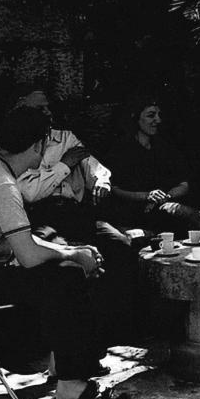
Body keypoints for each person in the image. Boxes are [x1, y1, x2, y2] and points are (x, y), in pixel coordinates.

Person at [0, 105, 126, 399]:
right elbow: (30, 256)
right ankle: (72, 384)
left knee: (62, 264)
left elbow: (23, 242)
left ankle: (65, 367)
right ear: (38, 145)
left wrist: (72, 253)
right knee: (65, 276)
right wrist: (75, 255)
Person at [12, 86, 141, 332]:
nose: (48, 112)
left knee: (119, 245)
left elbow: (92, 165)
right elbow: (30, 191)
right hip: (42, 214)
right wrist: (64, 164)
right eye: (40, 108)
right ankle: (69, 334)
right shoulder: (19, 145)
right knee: (59, 260)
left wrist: (101, 181)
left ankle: (120, 327)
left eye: (48, 107)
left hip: (76, 211)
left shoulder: (65, 138)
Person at [103, 91, 200, 236]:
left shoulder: (164, 147)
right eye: (151, 115)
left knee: (190, 215)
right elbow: (114, 188)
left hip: (159, 207)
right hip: (132, 211)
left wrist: (163, 197)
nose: (158, 120)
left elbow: (183, 184)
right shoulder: (121, 150)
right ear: (135, 118)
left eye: (158, 115)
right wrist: (146, 196)